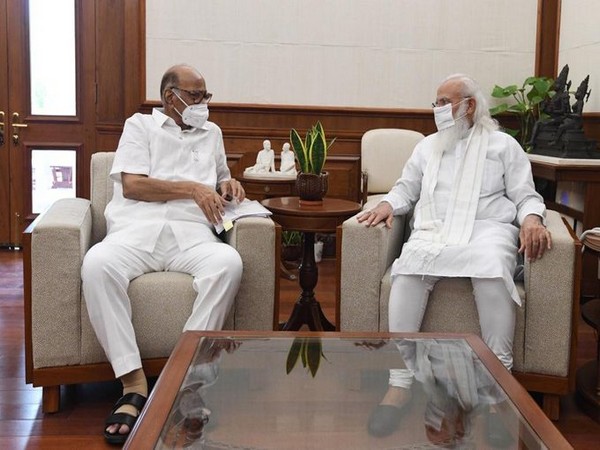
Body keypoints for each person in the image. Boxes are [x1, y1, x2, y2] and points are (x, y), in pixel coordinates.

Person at [357, 74, 552, 437]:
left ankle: (498, 390)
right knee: (408, 269)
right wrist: (387, 203)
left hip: (486, 230)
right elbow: (406, 187)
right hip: (435, 230)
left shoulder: (503, 146)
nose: (438, 110)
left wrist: (532, 219)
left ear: (469, 105)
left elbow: (526, 195)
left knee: (493, 268)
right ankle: (399, 383)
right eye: (436, 103)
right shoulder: (427, 147)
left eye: (444, 103)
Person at [81, 64, 245, 444]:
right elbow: (133, 185)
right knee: (98, 264)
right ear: (170, 97)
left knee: (228, 264)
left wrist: (227, 184)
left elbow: (219, 176)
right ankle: (133, 383)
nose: (204, 103)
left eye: (206, 95)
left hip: (191, 235)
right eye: (196, 95)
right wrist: (192, 188)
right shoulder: (140, 126)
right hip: (137, 231)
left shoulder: (212, 132)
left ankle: (185, 380)